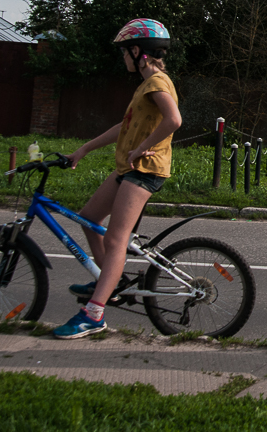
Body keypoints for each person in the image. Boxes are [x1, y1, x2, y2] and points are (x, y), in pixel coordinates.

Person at [53, 18, 182, 339]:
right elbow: (122, 127)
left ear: (138, 51)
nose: (123, 57)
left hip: (145, 170)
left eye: (125, 51)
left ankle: (94, 313)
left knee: (114, 240)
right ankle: (107, 282)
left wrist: (141, 148)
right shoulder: (145, 85)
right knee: (88, 218)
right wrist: (84, 149)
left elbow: (174, 120)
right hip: (129, 168)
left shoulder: (156, 83)